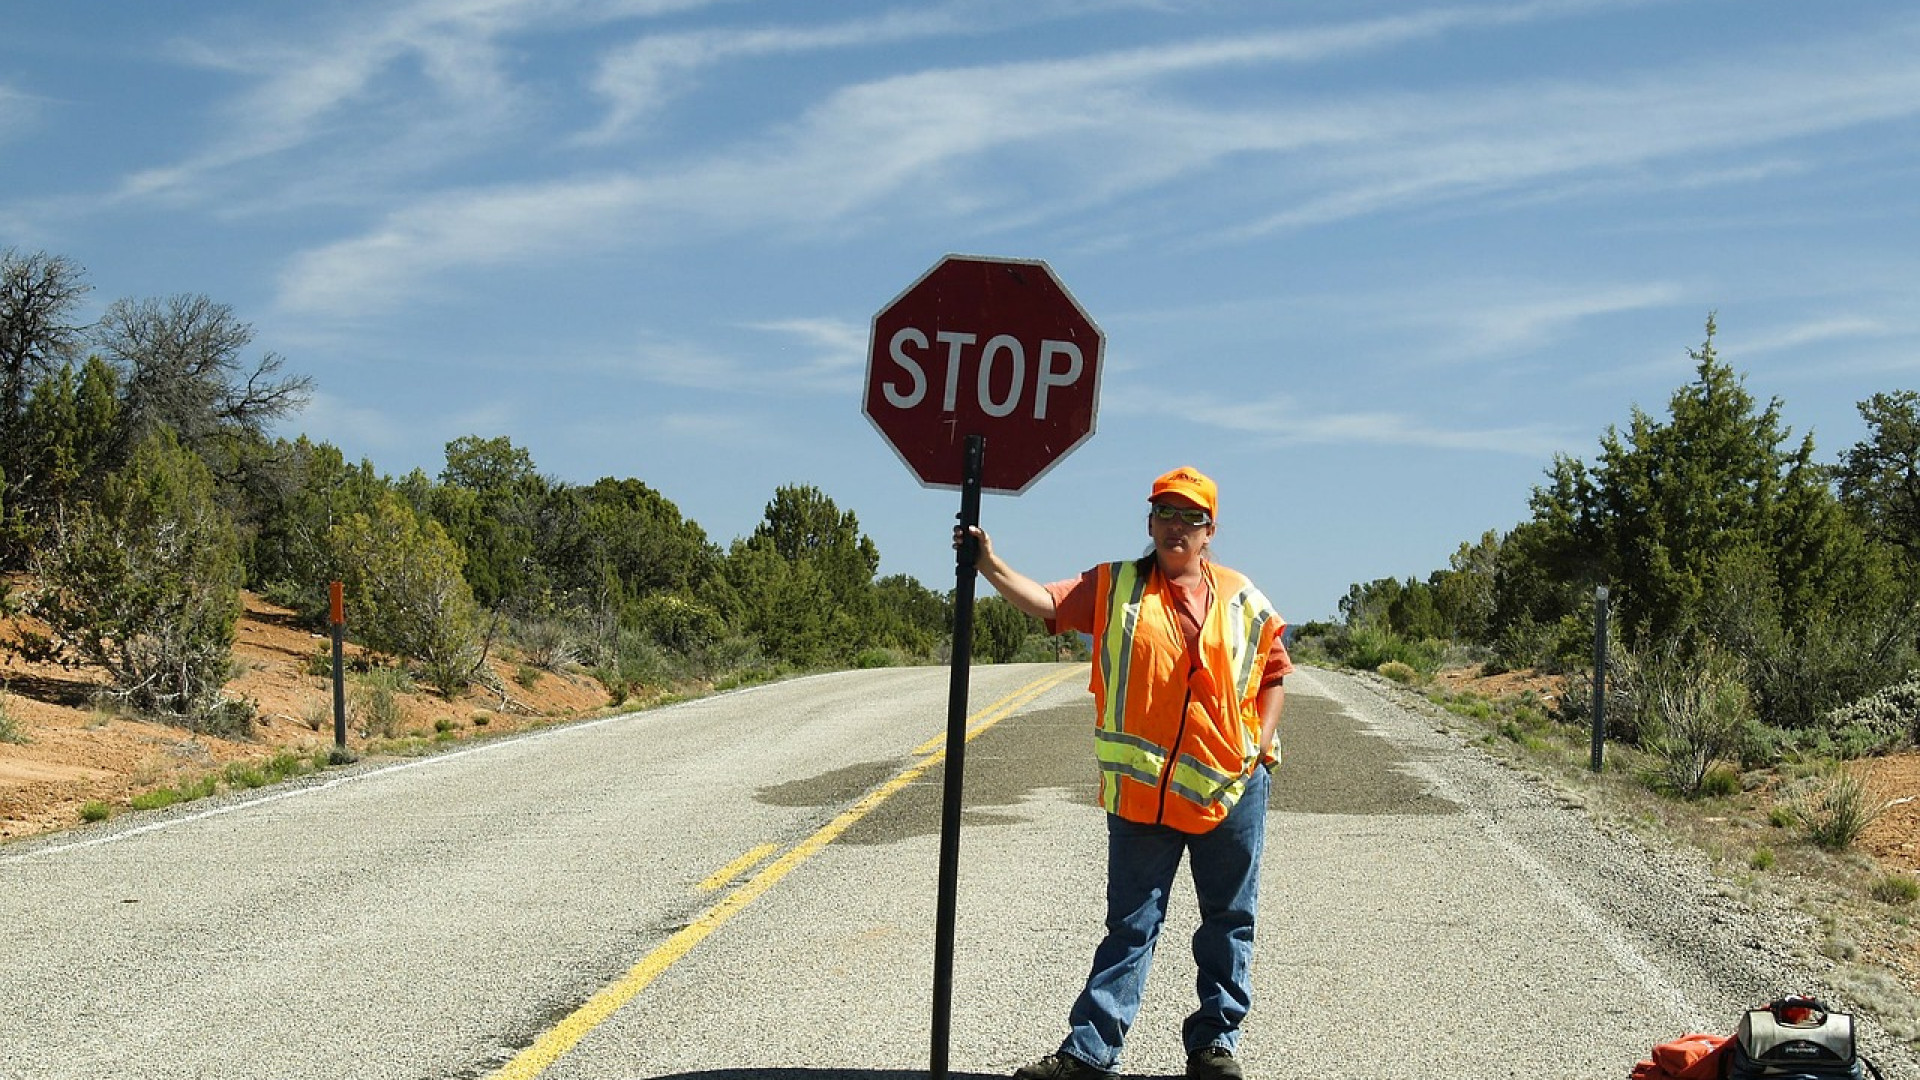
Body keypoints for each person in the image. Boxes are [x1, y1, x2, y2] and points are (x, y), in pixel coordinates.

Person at [956, 465, 1291, 1080]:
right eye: (1166, 513)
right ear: (1150, 522)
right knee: (1130, 926)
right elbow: (1048, 603)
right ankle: (1091, 1054)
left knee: (1228, 920)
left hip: (1232, 788)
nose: (1177, 526)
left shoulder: (1242, 595)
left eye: (1191, 517)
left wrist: (1256, 745)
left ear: (1210, 530)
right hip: (1143, 798)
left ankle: (1216, 1048)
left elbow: (1274, 673)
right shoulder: (1115, 587)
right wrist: (989, 566)